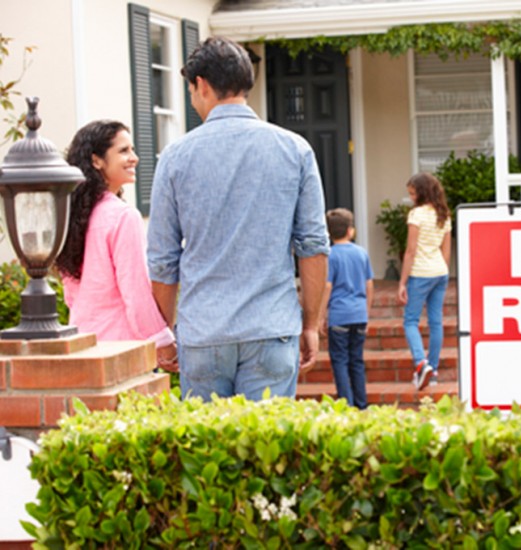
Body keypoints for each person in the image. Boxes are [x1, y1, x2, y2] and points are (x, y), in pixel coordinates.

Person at [147, 37, 330, 402]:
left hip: (204, 332)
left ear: (201, 85)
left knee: (206, 453)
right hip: (271, 326)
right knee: (266, 454)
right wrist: (310, 324)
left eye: (191, 90)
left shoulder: (175, 157)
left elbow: (163, 260)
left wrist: (164, 334)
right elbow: (313, 247)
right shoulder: (295, 149)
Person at [56, 121, 177, 371]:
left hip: (83, 344)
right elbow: (136, 292)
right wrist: (163, 342)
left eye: (132, 150)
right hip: (123, 349)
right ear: (97, 160)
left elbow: (71, 294)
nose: (134, 158)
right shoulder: (123, 216)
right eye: (123, 151)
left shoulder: (70, 216)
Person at [397, 172, 452, 390]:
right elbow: (446, 252)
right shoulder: (444, 215)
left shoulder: (417, 215)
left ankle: (421, 363)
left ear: (421, 192)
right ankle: (434, 370)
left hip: (420, 273)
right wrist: (442, 271)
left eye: (412, 193)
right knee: (435, 322)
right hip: (440, 272)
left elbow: (410, 251)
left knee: (410, 321)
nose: (411, 197)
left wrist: (402, 282)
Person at [319, 208, 374, 409]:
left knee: (340, 361)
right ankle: (362, 404)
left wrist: (320, 316)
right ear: (351, 230)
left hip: (339, 316)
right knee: (357, 361)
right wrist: (366, 313)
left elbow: (327, 286)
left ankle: (346, 404)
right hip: (359, 314)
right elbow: (369, 284)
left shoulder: (330, 256)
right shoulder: (361, 253)